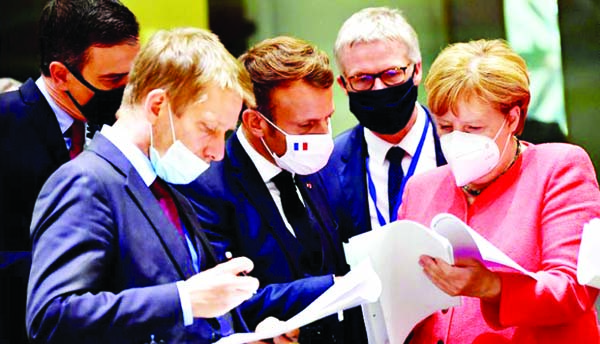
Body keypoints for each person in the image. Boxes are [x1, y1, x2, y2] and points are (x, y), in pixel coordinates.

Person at [26, 28, 334, 344]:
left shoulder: (168, 187)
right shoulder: (86, 182)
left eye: (224, 134)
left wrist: (248, 333)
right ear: (158, 106)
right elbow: (52, 315)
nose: (217, 153)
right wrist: (184, 299)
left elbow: (194, 315)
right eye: (209, 129)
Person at [398, 39, 600, 343]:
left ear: (513, 118)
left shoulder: (558, 168)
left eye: (472, 128)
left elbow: (573, 289)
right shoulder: (421, 188)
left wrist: (493, 287)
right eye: (445, 127)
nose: (456, 140)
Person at [177, 36, 365, 343]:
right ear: (255, 123)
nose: (322, 137)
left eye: (327, 119)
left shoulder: (314, 165)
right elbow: (224, 300)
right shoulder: (205, 187)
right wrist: (336, 286)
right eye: (306, 126)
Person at [0, 1, 139, 342]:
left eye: (132, 77)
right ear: (60, 74)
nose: (126, 93)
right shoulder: (6, 123)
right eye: (112, 80)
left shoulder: (127, 126)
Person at [324, 7, 446, 243]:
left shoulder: (455, 143)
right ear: (343, 84)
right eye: (362, 78)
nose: (379, 88)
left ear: (417, 70)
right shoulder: (327, 166)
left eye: (391, 73)